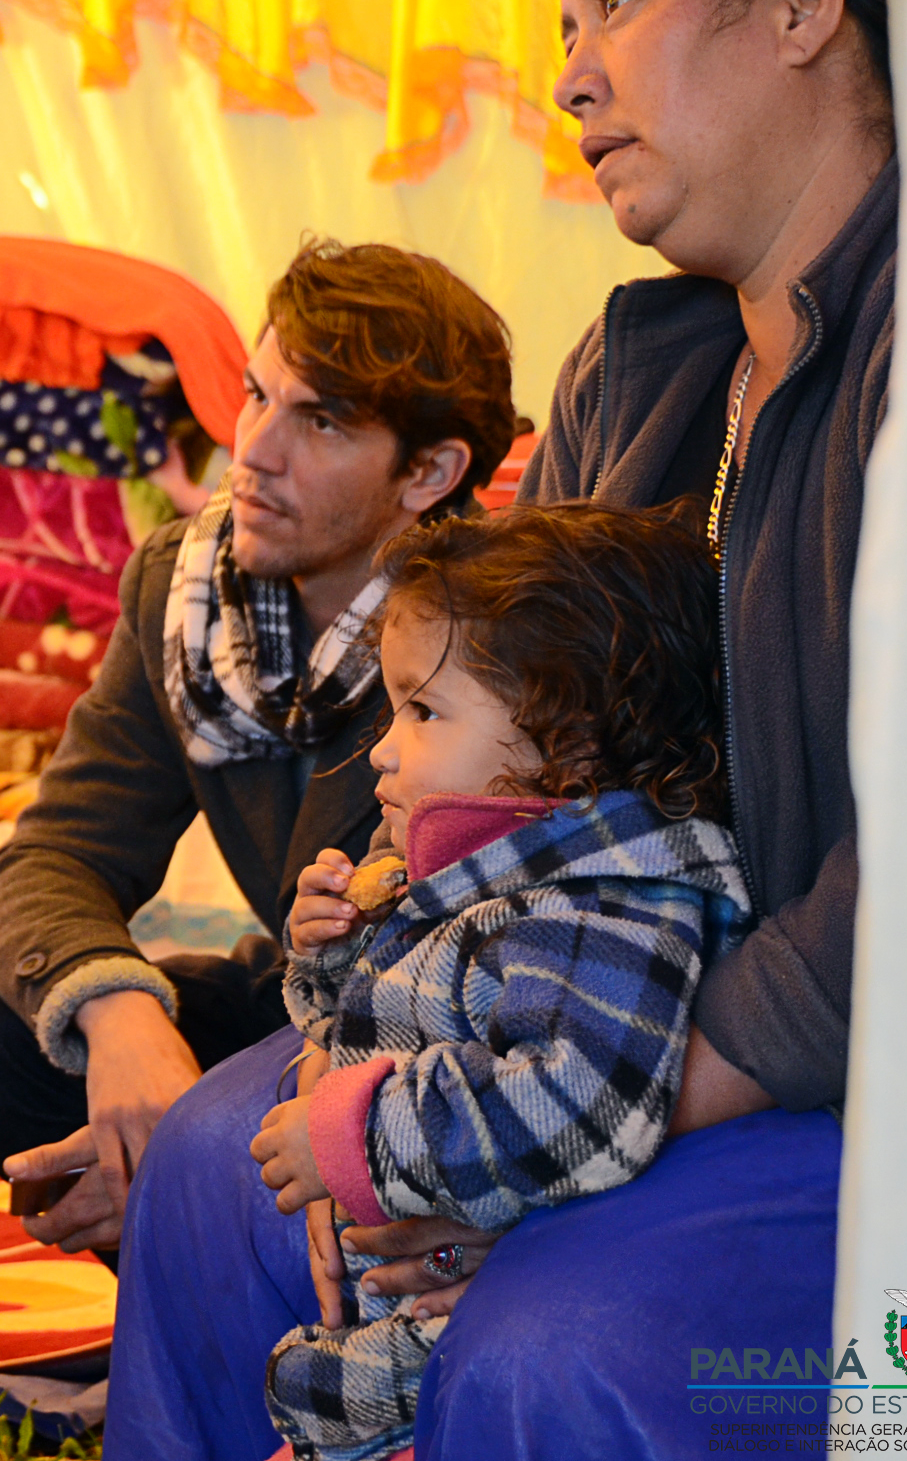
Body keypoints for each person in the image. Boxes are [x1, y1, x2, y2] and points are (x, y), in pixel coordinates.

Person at [105, 0, 884, 1458]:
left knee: (546, 1349)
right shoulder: (638, 367)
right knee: (205, 1166)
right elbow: (528, 766)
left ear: (804, 5)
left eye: (618, 1)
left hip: (849, 1079)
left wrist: (536, 1144)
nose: (572, 74)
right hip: (574, 1014)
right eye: (561, 25)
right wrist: (410, 1041)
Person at [0, 238, 518, 1257]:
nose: (254, 449)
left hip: (440, 1051)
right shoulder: (187, 595)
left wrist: (197, 1149)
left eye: (320, 421)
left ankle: (291, 1325)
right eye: (256, 395)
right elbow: (56, 855)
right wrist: (115, 1010)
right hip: (291, 1007)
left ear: (430, 471)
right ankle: (203, 1307)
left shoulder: (502, 630)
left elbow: (497, 977)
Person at [256, 504, 742, 1459]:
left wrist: (356, 1131)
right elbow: (394, 1014)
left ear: (565, 744)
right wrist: (330, 951)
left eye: (424, 712)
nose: (384, 751)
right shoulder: (484, 870)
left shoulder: (603, 904)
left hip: (439, 1352)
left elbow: (579, 1104)